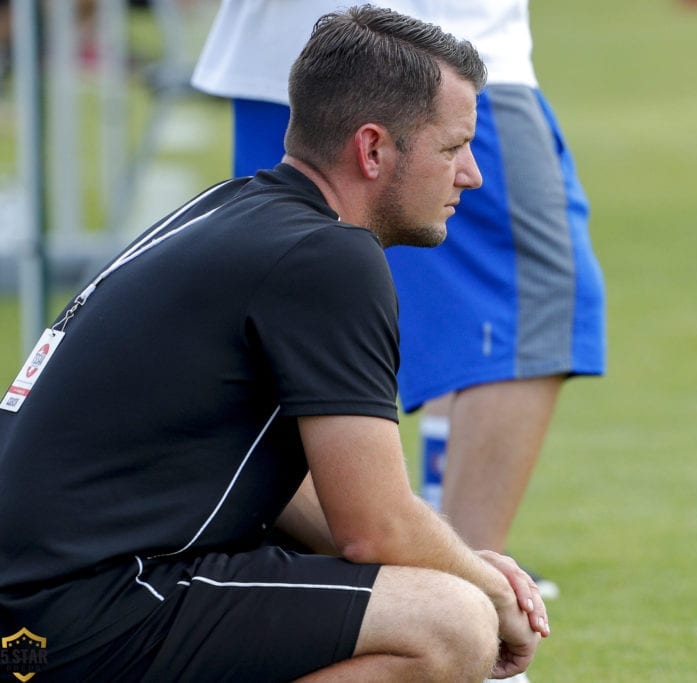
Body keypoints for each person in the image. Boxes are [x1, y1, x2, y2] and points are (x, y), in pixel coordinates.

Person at [0, 7, 548, 682]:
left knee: (433, 587)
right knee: (450, 624)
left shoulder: (231, 209)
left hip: (38, 611)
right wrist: (494, 592)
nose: (471, 174)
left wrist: (459, 559)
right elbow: (372, 525)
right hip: (76, 616)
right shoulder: (329, 257)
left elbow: (303, 497)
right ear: (372, 149)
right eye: (452, 146)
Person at [192, 0, 607, 596]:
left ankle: (381, 573)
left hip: (278, 55)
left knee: (289, 308)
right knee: (538, 305)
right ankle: (467, 588)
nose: (468, 175)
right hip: (425, 51)